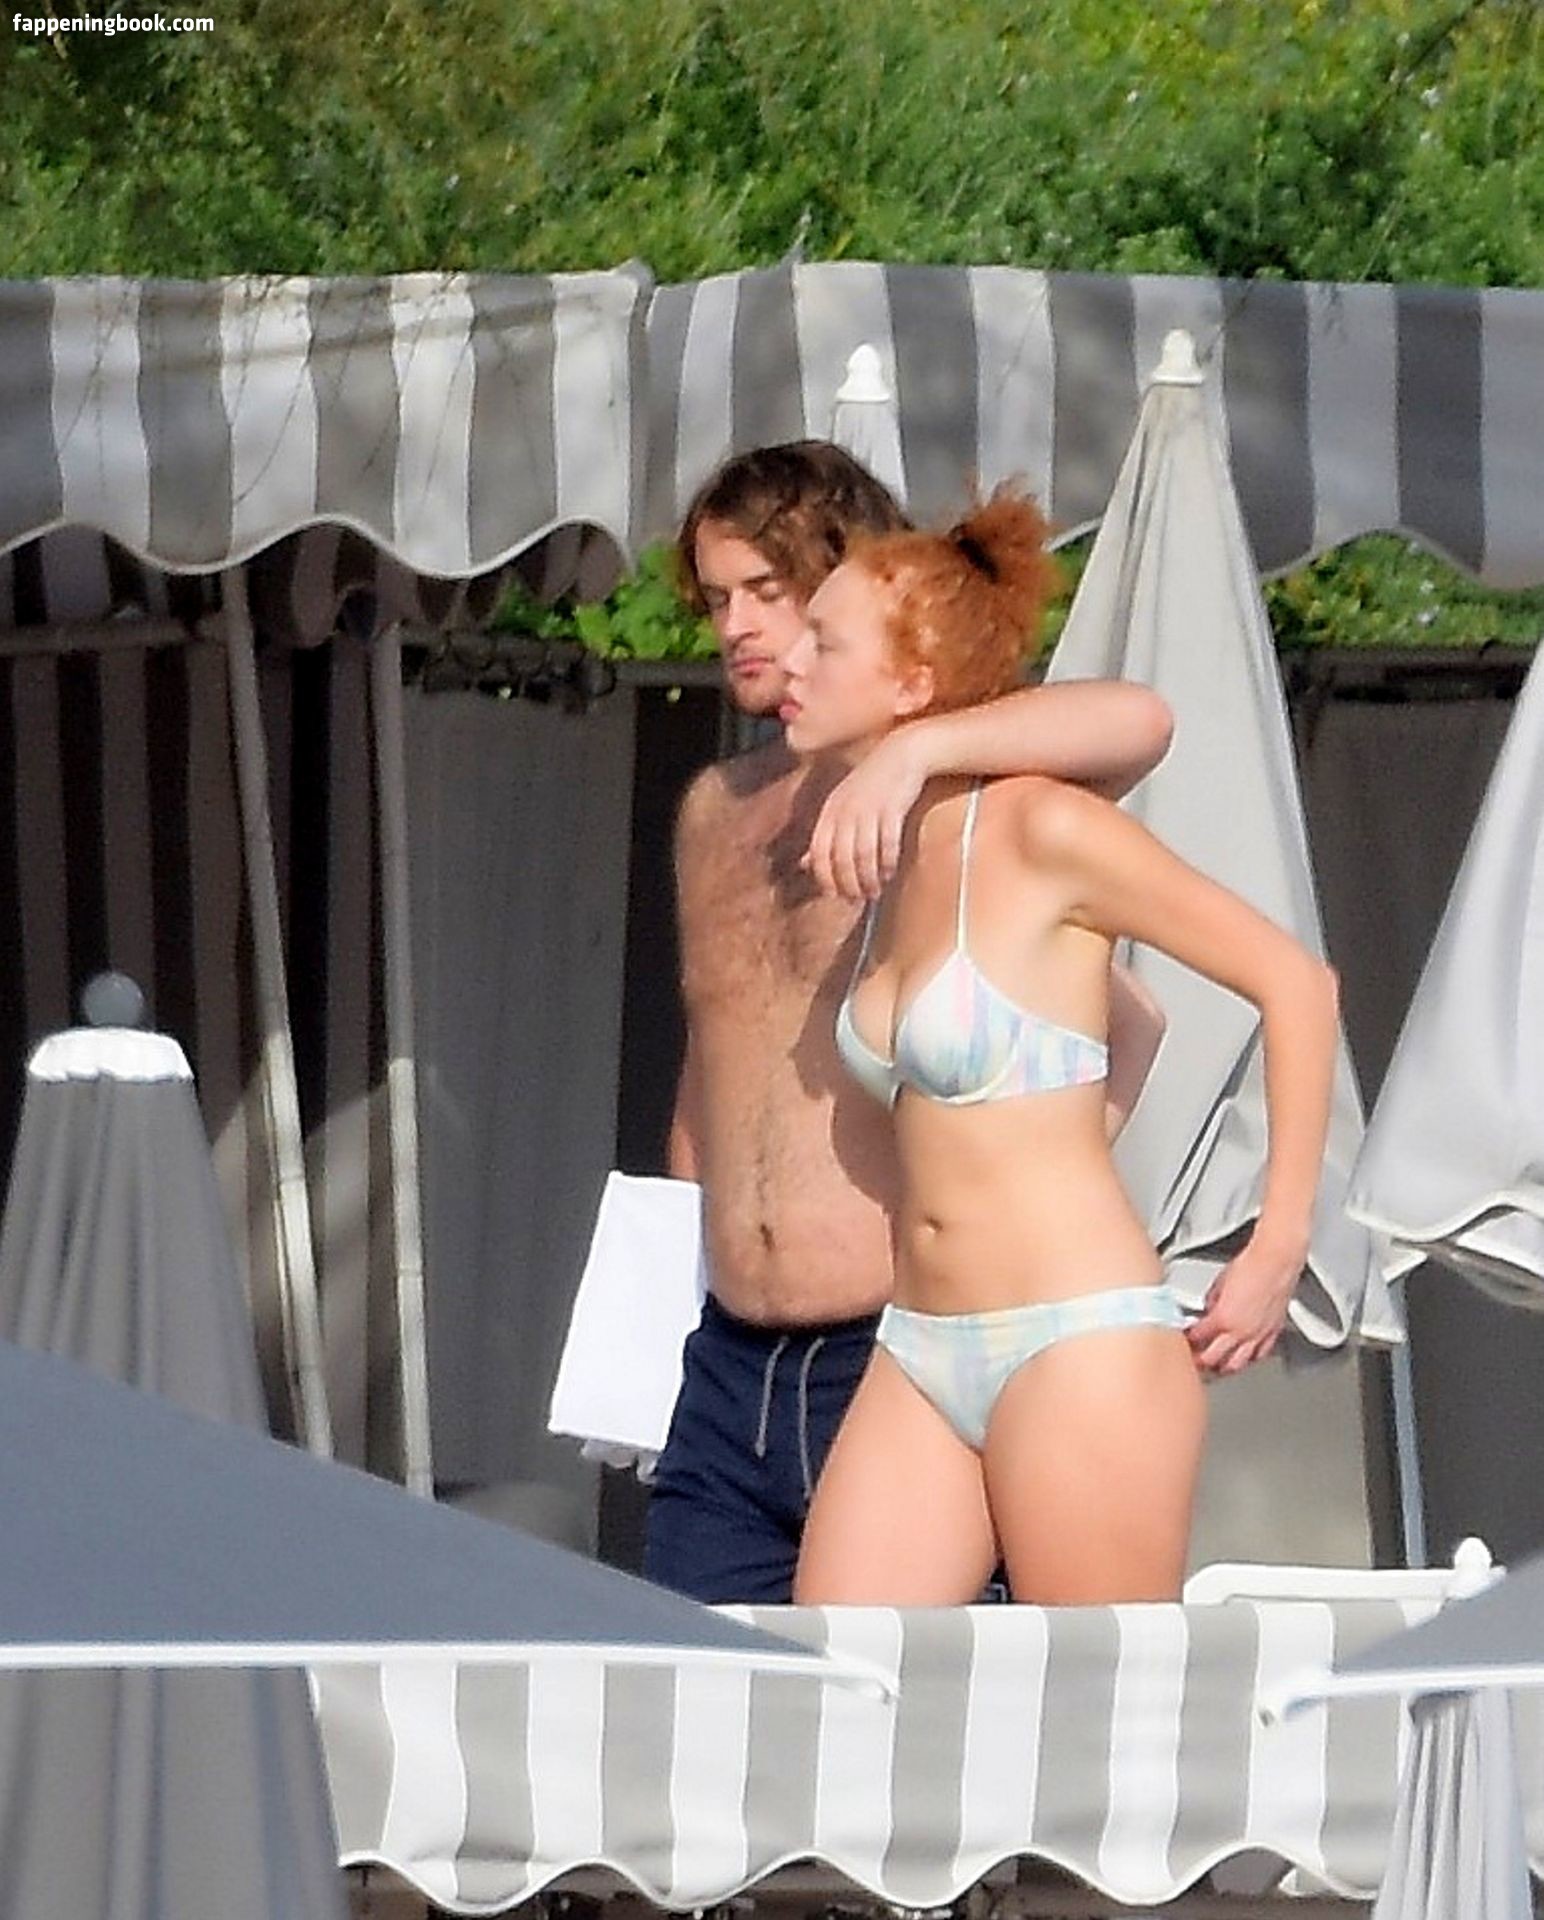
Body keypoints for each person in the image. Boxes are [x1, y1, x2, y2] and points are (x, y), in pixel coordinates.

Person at [782, 489, 1339, 1606]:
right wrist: (1064, 1120)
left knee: (1096, 1693)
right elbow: (1135, 1017)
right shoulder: (888, 865)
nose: (790, 659)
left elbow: (1297, 983)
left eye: (823, 641)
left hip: (1075, 1338)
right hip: (920, 1341)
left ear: (913, 684)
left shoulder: (1041, 826)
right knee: (837, 1682)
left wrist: (1276, 1247)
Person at [643, 441, 1177, 1604]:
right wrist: (653, 1306)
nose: (736, 626)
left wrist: (917, 750)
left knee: (916, 1699)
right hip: (728, 1358)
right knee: (690, 1691)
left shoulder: (949, 795)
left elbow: (1136, 720)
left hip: (901, 1342)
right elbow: (712, 1067)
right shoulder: (710, 810)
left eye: (766, 592)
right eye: (717, 599)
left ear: (848, 583)